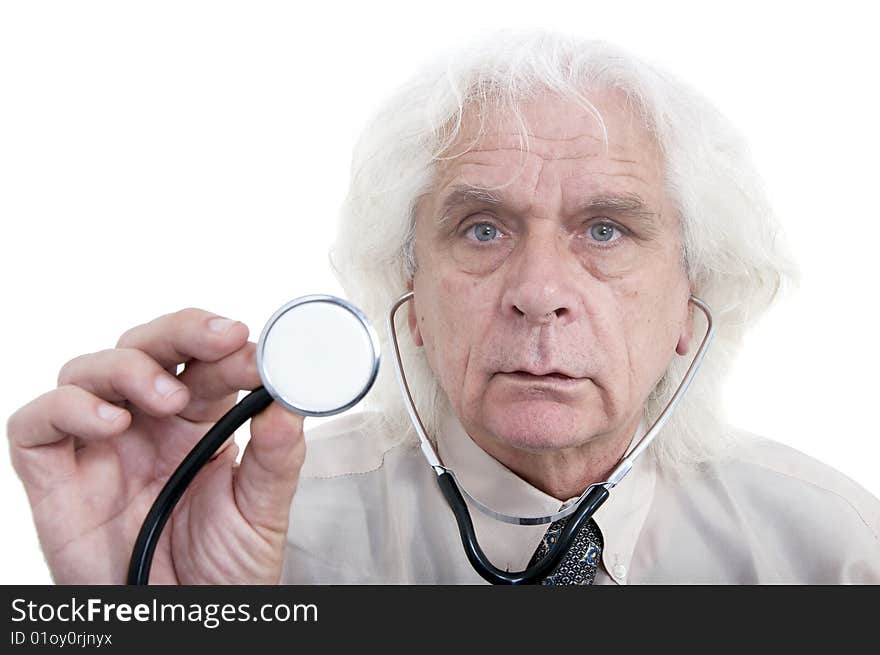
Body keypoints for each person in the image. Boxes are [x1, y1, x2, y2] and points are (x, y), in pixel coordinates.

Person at [7, 31, 879, 585]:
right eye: (483, 229)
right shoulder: (261, 540)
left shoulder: (830, 553)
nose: (539, 292)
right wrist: (136, 618)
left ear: (693, 300)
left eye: (606, 230)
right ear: (410, 297)